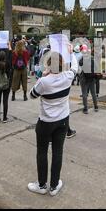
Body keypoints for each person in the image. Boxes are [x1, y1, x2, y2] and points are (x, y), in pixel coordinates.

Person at [28, 49, 78, 196]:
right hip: (63, 120)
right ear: (63, 65)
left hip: (46, 121)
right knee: (58, 152)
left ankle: (42, 185)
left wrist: (42, 77)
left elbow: (32, 95)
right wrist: (72, 52)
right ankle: (54, 185)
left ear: (49, 65)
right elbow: (75, 66)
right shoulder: (68, 76)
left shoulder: (44, 82)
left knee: (42, 152)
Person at [0, 43, 13, 123]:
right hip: (6, 84)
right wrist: (9, 46)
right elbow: (10, 56)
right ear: (5, 57)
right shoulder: (8, 64)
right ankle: (4, 118)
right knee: (5, 101)